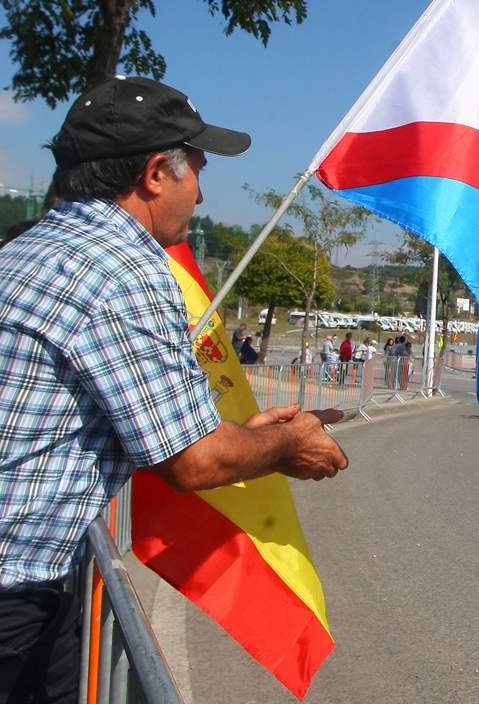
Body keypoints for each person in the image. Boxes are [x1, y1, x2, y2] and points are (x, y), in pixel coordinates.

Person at [0, 76, 348, 703]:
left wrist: (242, 434)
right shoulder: (123, 269)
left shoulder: (30, 247)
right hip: (13, 596)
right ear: (157, 174)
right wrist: (288, 443)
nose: (202, 193)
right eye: (198, 170)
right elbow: (193, 460)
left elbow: (122, 422)